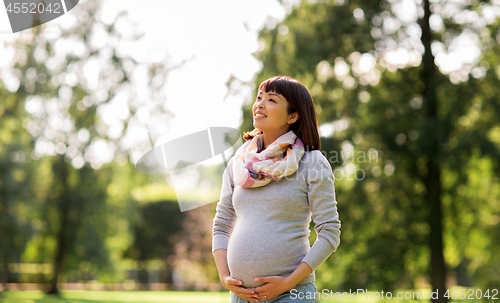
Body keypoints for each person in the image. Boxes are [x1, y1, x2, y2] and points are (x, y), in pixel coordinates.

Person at [212, 76, 341, 303]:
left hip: (291, 294)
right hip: (242, 296)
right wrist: (224, 276)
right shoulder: (238, 163)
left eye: (271, 100)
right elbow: (222, 225)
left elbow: (329, 232)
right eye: (259, 97)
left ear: (293, 115)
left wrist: (289, 282)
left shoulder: (312, 162)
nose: (259, 104)